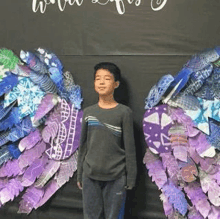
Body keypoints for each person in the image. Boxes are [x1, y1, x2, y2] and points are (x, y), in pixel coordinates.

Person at [77, 62, 137, 219]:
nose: (101, 82)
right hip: (89, 176)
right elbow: (82, 145)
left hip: (116, 177)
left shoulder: (124, 112)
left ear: (116, 84)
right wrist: (80, 174)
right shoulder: (88, 112)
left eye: (107, 78)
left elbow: (130, 148)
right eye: (98, 78)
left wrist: (131, 177)